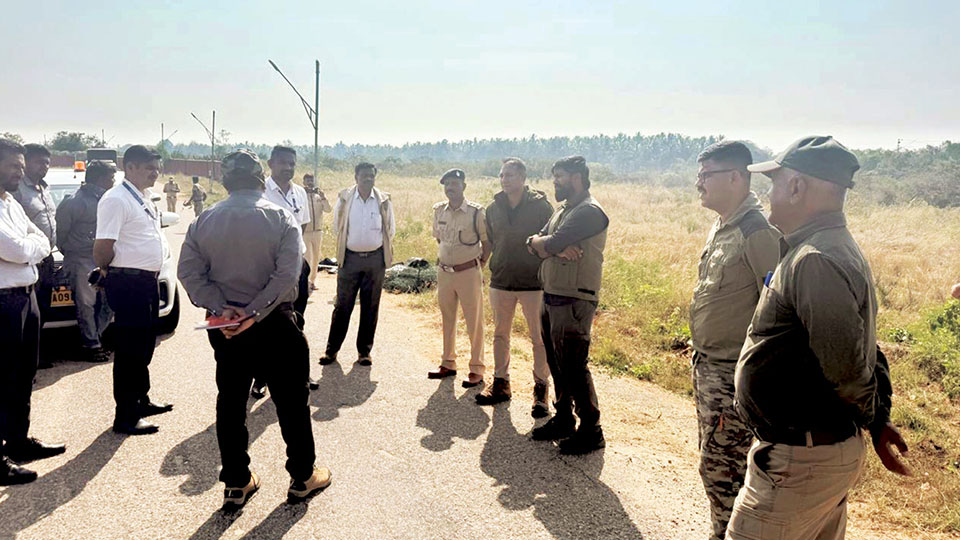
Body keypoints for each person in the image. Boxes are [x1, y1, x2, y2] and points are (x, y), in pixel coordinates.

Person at [729, 136, 910, 539]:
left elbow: (847, 363)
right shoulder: (825, 249)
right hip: (809, 455)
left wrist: (875, 419)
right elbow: (866, 346)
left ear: (796, 187)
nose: (768, 194)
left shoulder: (816, 259)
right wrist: (877, 418)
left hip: (802, 461)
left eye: (774, 183)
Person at [178, 149, 330, 509]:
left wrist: (223, 309)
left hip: (227, 327)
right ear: (261, 180)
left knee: (230, 403)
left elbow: (189, 273)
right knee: (292, 402)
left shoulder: (204, 220)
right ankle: (302, 477)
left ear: (226, 181)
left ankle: (236, 482)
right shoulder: (280, 218)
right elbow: (288, 275)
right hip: (275, 322)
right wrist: (254, 311)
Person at [688, 141, 780, 540]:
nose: (699, 183)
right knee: (715, 462)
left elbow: (777, 308)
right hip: (708, 369)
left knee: (725, 469)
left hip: (733, 376)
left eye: (707, 174)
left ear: (736, 178)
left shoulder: (756, 232)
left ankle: (728, 534)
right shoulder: (725, 224)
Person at [527, 155, 609, 455]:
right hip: (552, 295)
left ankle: (591, 430)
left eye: (558, 176)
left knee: (574, 366)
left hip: (574, 300)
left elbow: (545, 244)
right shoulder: (564, 210)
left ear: (575, 177)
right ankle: (563, 419)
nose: (554, 182)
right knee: (557, 364)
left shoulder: (589, 212)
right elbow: (533, 243)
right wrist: (549, 247)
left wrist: (548, 245)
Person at [93, 145, 173, 435]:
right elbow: (103, 248)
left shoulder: (142, 197)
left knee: (145, 344)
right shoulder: (115, 199)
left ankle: (141, 399)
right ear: (129, 167)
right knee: (129, 349)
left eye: (157, 167)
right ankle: (125, 415)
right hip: (128, 283)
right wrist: (109, 269)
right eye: (149, 167)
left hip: (146, 281)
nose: (155, 172)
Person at [0, 139, 65, 486]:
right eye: (13, 166)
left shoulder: (11, 202)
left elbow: (38, 237)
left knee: (24, 374)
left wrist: (27, 248)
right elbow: (12, 247)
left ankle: (19, 441)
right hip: (2, 303)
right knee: (3, 379)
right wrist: (28, 248)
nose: (19, 173)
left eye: (22, 167)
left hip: (26, 299)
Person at [476, 158, 554, 417]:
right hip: (501, 281)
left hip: (534, 283)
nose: (504, 179)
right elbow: (491, 242)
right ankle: (501, 383)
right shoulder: (493, 208)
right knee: (500, 335)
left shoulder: (541, 206)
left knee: (539, 338)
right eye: (501, 175)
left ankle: (541, 389)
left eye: (509, 175)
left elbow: (553, 239)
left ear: (522, 177)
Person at [318, 162, 395, 367]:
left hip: (375, 260)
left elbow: (390, 229)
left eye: (371, 176)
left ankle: (364, 352)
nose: (368, 179)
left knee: (370, 307)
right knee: (342, 306)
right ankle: (331, 351)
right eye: (364, 176)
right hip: (350, 259)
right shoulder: (345, 198)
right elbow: (337, 227)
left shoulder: (383, 200)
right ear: (356, 177)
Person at [255, 146, 315, 398]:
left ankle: (298, 372)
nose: (288, 167)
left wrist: (297, 260)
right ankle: (261, 377)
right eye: (282, 163)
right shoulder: (261, 191)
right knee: (266, 321)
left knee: (296, 318)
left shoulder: (300, 192)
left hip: (296, 265)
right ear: (270, 164)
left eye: (292, 163)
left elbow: (302, 228)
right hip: (269, 268)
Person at [428, 168, 491, 388]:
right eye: (447, 185)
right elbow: (440, 240)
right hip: (445, 272)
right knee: (447, 318)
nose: (450, 189)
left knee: (474, 321)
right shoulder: (439, 211)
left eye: (455, 185)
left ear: (463, 186)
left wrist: (479, 264)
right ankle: (448, 362)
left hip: (468, 273)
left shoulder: (475, 212)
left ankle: (476, 368)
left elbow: (487, 242)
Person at [56, 160, 117, 363]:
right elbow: (62, 236)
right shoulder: (74, 202)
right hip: (81, 259)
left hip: (106, 258)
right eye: (111, 176)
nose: (114, 180)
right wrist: (74, 256)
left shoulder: (112, 199)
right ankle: (91, 344)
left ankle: (96, 335)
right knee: (87, 304)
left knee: (111, 302)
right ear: (100, 178)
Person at [12, 144, 56, 331]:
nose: (44, 166)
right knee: (27, 312)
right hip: (28, 260)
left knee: (43, 307)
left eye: (47, 163)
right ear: (25, 162)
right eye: (39, 162)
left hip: (48, 258)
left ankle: (39, 355)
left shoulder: (44, 189)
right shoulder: (16, 190)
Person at [303, 173, 332, 292]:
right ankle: (305, 281)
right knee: (307, 257)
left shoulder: (318, 196)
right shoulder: (301, 195)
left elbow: (328, 209)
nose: (310, 182)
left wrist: (323, 197)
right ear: (304, 181)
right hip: (306, 231)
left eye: (312, 180)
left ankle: (312, 281)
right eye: (308, 180)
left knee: (316, 258)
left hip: (318, 231)